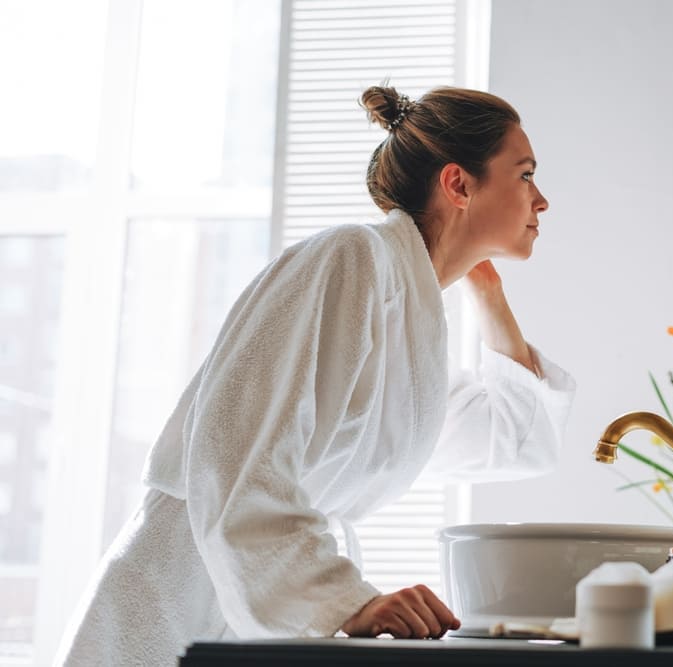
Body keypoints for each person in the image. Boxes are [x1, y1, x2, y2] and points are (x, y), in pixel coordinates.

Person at [55, 84, 575, 665]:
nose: (542, 199)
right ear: (458, 184)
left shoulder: (411, 317)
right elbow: (234, 455)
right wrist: (338, 599)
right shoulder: (350, 259)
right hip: (177, 605)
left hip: (258, 615)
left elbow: (512, 442)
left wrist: (488, 293)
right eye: (525, 174)